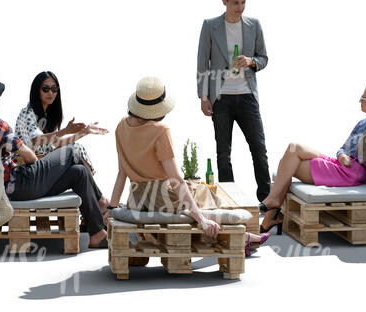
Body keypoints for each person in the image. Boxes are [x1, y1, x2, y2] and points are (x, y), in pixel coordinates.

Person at [0, 72, 109, 248]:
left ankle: (97, 233)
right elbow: (29, 155)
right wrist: (37, 171)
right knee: (70, 153)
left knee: (79, 173)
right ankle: (102, 202)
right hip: (18, 185)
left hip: (6, 186)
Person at [106, 76, 269, 255]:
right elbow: (175, 180)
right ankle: (240, 238)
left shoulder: (121, 126)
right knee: (207, 192)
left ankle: (243, 236)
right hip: (164, 198)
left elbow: (122, 172)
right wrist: (201, 219)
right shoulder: (160, 131)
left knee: (196, 191)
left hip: (137, 199)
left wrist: (112, 208)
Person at [258, 84, 366, 233]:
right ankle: (273, 205)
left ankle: (272, 211)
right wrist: (341, 155)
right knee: (294, 148)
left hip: (352, 172)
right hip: (342, 164)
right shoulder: (362, 123)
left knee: (289, 165)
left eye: (363, 98)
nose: (360, 101)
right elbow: (343, 147)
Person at [197, 0, 271, 202]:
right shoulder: (211, 26)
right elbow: (203, 64)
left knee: (259, 149)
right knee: (223, 153)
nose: (240, 7)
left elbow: (264, 58)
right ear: (225, 2)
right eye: (236, 3)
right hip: (221, 97)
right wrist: (203, 96)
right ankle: (230, 199)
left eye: (243, 2)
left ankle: (266, 200)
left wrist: (251, 61)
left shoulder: (253, 25)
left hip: (247, 95)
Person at [14, 71, 110, 213]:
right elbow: (36, 140)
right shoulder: (28, 112)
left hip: (42, 167)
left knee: (77, 149)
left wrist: (84, 132)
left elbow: (57, 144)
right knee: (74, 151)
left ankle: (95, 203)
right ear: (36, 90)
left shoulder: (47, 115)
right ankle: (99, 201)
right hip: (28, 172)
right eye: (45, 89)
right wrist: (65, 130)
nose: (51, 93)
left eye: (54, 89)